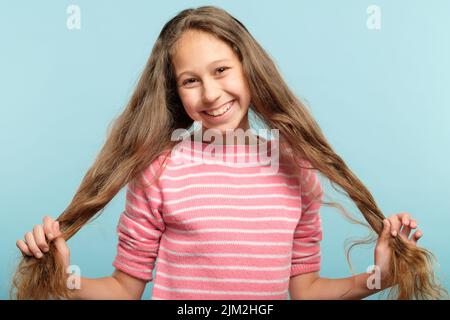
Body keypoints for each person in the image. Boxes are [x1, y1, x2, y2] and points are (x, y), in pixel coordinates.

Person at [12, 6, 445, 300]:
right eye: (190, 80)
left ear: (247, 67)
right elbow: (124, 288)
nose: (211, 93)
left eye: (220, 70)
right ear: (174, 91)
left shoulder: (296, 168)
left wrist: (381, 278)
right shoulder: (161, 169)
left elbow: (307, 290)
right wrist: (62, 276)